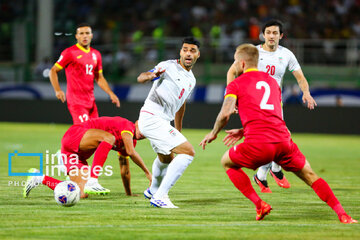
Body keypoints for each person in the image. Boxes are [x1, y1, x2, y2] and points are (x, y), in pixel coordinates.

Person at [200, 44, 357, 224]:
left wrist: (213, 133)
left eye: (235, 62)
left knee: (227, 162)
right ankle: (342, 214)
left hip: (259, 144)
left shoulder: (236, 84)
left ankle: (260, 205)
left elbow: (225, 113)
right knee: (311, 176)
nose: (234, 66)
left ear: (242, 63)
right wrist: (244, 131)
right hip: (283, 140)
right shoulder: (272, 82)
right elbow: (270, 115)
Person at [227, 19, 317, 193]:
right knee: (276, 139)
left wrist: (306, 92)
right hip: (252, 104)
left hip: (275, 104)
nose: (271, 36)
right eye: (268, 32)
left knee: (279, 139)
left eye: (275, 33)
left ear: (281, 36)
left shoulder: (287, 54)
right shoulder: (253, 53)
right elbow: (232, 71)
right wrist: (231, 98)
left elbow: (300, 77)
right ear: (263, 35)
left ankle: (266, 172)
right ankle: (269, 170)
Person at [137, 37, 200, 208]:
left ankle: (153, 190)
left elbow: (181, 105)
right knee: (188, 152)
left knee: (166, 159)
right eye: (185, 49)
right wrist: (150, 75)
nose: (188, 53)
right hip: (151, 117)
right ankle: (160, 196)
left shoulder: (191, 79)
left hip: (162, 121)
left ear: (198, 55)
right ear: (180, 52)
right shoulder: (167, 66)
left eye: (192, 50)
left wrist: (177, 130)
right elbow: (141, 78)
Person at [23, 116, 152, 198]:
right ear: (137, 122)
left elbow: (125, 169)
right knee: (109, 137)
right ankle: (93, 180)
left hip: (75, 155)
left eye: (147, 133)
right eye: (143, 129)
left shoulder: (130, 142)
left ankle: (40, 178)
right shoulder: (127, 126)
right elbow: (130, 151)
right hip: (75, 135)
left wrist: (128, 193)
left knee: (78, 193)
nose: (143, 134)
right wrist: (148, 174)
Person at [49, 23, 120, 124]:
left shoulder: (96, 54)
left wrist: (110, 93)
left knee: (94, 132)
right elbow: (53, 71)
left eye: (87, 33)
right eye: (81, 33)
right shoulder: (70, 52)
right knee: (85, 131)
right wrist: (57, 90)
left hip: (91, 101)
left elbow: (99, 78)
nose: (84, 36)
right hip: (76, 101)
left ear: (92, 35)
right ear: (76, 36)